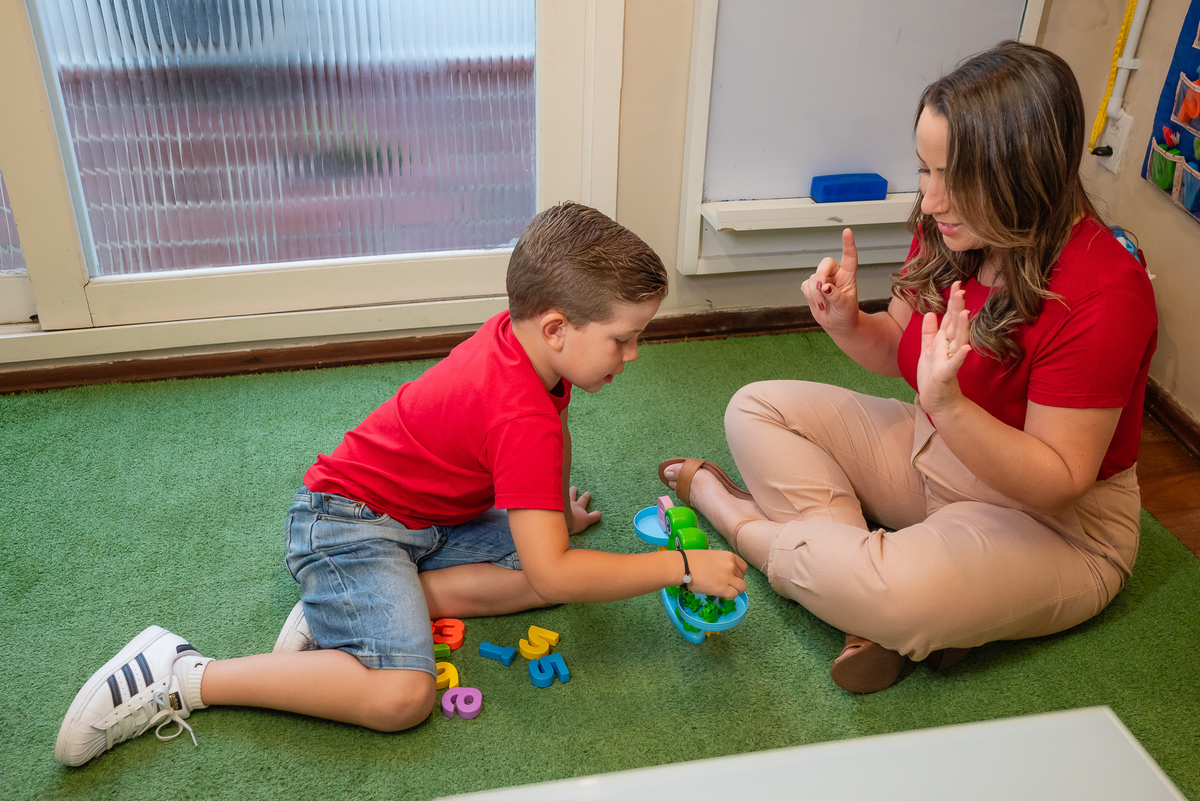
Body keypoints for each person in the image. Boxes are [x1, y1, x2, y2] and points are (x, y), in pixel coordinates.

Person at [56, 202, 749, 767]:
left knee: (551, 566)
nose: (633, 355)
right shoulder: (520, 413)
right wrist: (680, 566)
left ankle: (356, 607)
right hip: (345, 523)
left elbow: (554, 449)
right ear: (558, 326)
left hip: (428, 520)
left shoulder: (530, 347)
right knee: (403, 697)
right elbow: (548, 502)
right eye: (625, 339)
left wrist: (555, 519)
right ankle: (184, 673)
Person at [659, 41, 1157, 694]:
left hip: (1057, 525)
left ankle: (728, 513)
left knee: (896, 591)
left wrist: (948, 407)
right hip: (938, 453)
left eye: (955, 176)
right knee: (753, 408)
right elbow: (897, 339)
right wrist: (849, 323)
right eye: (924, 168)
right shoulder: (950, 227)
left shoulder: (1107, 293)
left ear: (1025, 173)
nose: (932, 196)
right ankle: (860, 609)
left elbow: (1059, 481)